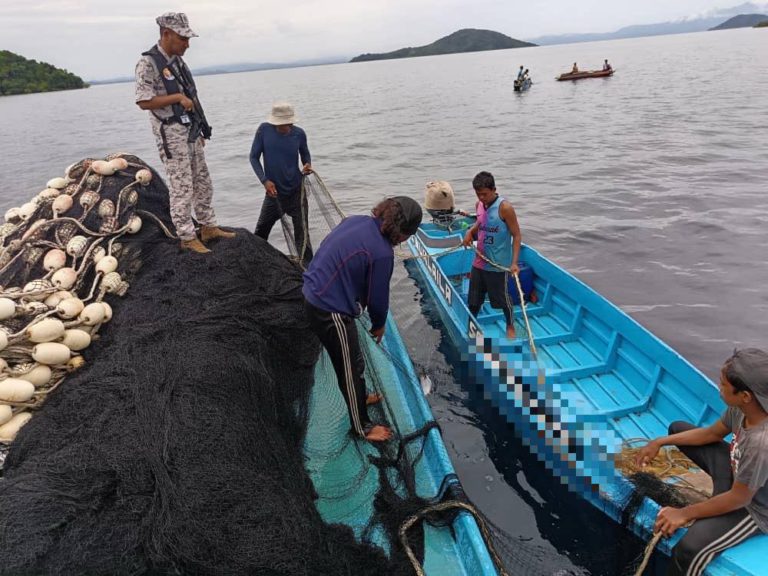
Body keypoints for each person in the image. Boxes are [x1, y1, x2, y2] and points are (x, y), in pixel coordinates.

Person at [635, 348, 768, 576]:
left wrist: (684, 513)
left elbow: (740, 498)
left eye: (723, 384)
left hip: (755, 507)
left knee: (688, 550)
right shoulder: (741, 409)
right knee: (678, 428)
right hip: (739, 477)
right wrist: (660, 442)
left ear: (745, 395)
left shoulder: (761, 443)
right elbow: (710, 434)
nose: (719, 387)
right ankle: (718, 500)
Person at [302, 197, 423, 442]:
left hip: (313, 287)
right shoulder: (382, 254)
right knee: (348, 369)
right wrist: (379, 325)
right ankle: (361, 427)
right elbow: (378, 299)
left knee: (353, 360)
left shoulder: (357, 220)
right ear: (403, 234)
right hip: (328, 309)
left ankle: (360, 396)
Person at [135, 12, 234, 254]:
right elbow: (143, 100)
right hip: (170, 132)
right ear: (166, 34)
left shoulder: (178, 62)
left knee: (202, 180)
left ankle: (208, 225)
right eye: (183, 38)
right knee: (181, 185)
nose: (187, 44)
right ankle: (187, 236)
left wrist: (199, 127)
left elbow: (192, 95)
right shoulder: (148, 63)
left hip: (188, 128)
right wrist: (177, 98)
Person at [249, 102, 313, 265]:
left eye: (285, 124)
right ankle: (256, 263)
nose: (281, 128)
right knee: (261, 230)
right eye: (278, 124)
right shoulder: (263, 130)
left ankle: (307, 268)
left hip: (297, 192)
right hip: (274, 193)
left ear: (291, 122)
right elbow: (253, 157)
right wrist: (265, 181)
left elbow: (305, 156)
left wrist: (307, 165)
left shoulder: (299, 134)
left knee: (303, 235)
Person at [462, 172, 521, 339]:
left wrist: (514, 263)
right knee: (474, 298)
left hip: (497, 265)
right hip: (479, 261)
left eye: (485, 194)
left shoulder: (505, 208)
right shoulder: (479, 205)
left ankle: (510, 325)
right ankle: (471, 323)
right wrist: (469, 231)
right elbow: (480, 222)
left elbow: (517, 235)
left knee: (503, 299)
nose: (482, 198)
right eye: (478, 194)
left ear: (494, 190)